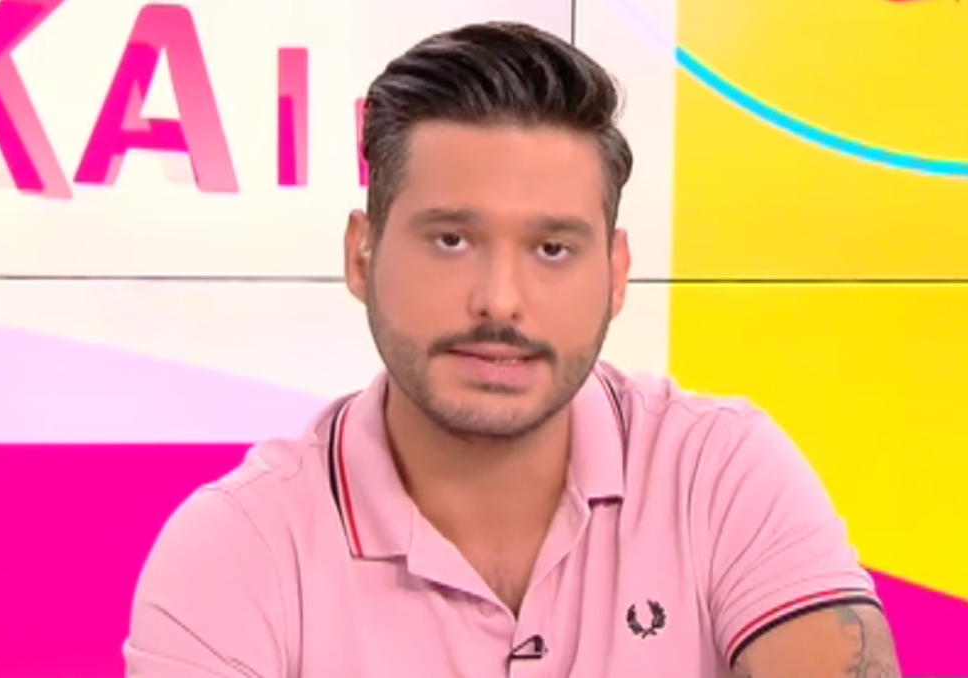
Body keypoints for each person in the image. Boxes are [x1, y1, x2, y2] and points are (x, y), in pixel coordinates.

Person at [124, 21, 901, 678]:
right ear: (362, 254)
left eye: (553, 249)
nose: (500, 300)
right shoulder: (238, 548)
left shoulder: (719, 470)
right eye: (451, 239)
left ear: (616, 273)